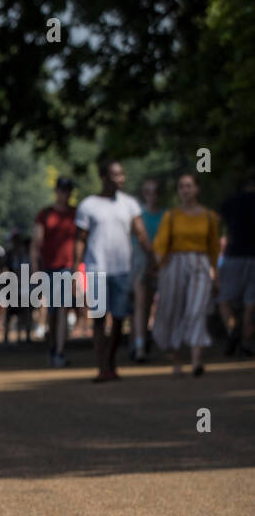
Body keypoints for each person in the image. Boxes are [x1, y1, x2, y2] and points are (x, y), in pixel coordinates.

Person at [74, 160, 155, 383]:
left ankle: (111, 361)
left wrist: (152, 255)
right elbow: (80, 240)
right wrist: (75, 270)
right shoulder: (88, 205)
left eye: (123, 175)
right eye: (116, 175)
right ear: (104, 178)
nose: (122, 179)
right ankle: (102, 367)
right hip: (96, 270)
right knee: (99, 319)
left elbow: (140, 233)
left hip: (122, 270)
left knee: (120, 318)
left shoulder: (129, 204)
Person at [152, 173, 221, 377]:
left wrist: (216, 273)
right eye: (182, 186)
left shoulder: (209, 216)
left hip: (200, 263)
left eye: (189, 186)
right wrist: (158, 267)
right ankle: (176, 360)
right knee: (175, 309)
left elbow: (214, 246)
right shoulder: (171, 215)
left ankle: (196, 361)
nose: (185, 190)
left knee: (197, 309)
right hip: (175, 263)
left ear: (197, 189)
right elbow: (161, 244)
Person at [32, 176, 78, 367]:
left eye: (68, 190)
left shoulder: (75, 214)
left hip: (67, 267)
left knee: (62, 309)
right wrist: (34, 269)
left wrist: (78, 268)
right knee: (51, 312)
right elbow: (36, 243)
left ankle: (59, 351)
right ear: (56, 191)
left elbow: (80, 242)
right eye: (62, 190)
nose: (64, 194)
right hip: (48, 268)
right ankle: (52, 346)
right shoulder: (45, 214)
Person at [218, 175, 255, 357]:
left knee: (224, 298)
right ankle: (246, 342)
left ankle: (232, 330)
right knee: (251, 303)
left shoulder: (232, 201)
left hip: (234, 255)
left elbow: (217, 222)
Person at [131, 178, 165, 362]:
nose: (152, 195)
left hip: (161, 263)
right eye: (148, 192)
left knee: (158, 305)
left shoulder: (166, 215)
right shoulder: (138, 215)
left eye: (155, 191)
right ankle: (139, 346)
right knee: (141, 305)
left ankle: (153, 340)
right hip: (141, 262)